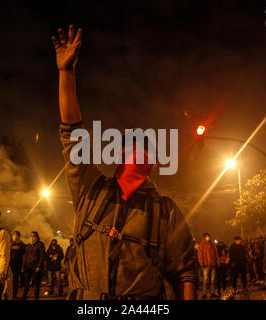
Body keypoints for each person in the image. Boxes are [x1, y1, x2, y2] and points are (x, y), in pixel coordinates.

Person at [52, 25, 197, 300]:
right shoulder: (90, 190)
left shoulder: (165, 212)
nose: (134, 156)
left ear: (153, 164)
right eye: (128, 149)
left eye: (143, 153)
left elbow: (184, 272)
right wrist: (66, 73)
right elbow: (71, 134)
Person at [22, 231, 45, 300]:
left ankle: (36, 297)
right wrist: (24, 266)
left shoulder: (40, 244)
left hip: (36, 267)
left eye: (34, 236)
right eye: (31, 236)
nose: (32, 237)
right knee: (26, 283)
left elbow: (42, 256)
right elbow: (26, 256)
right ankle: (24, 296)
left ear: (37, 237)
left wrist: (39, 266)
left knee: (36, 284)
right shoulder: (29, 245)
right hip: (28, 267)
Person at [197, 233, 219, 299]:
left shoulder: (212, 244)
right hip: (205, 265)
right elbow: (199, 254)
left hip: (212, 264)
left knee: (212, 280)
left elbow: (216, 253)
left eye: (208, 236)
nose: (208, 237)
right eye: (206, 236)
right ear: (204, 237)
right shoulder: (201, 244)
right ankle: (204, 293)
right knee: (205, 280)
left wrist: (216, 262)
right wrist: (201, 263)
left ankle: (212, 292)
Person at [10, 230, 26, 299]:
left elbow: (24, 256)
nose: (15, 236)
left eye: (16, 235)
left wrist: (23, 266)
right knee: (8, 281)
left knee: (15, 281)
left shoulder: (21, 245)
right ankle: (6, 294)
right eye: (14, 235)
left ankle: (14, 295)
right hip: (10, 265)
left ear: (19, 236)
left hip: (17, 265)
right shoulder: (10, 243)